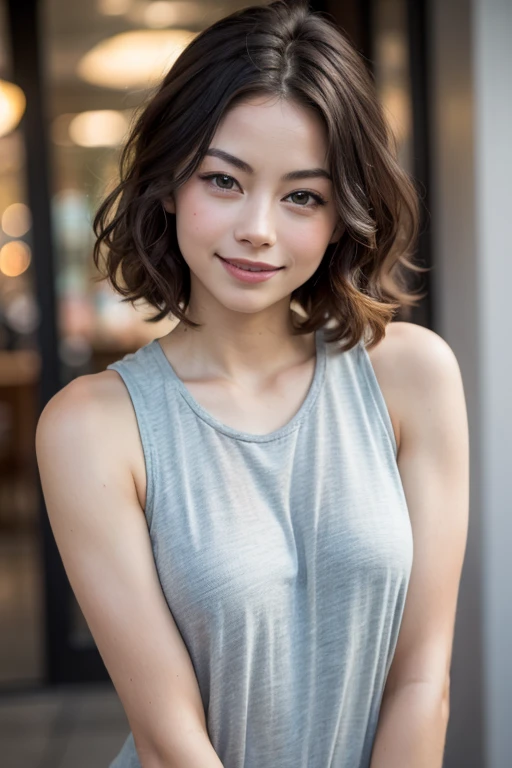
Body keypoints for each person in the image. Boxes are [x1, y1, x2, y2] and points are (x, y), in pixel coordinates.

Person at [35, 1, 469, 766]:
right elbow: (173, 743)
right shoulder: (92, 427)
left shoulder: (413, 375)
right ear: (169, 184)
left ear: (342, 215)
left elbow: (420, 682)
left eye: (302, 194)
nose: (258, 228)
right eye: (224, 181)